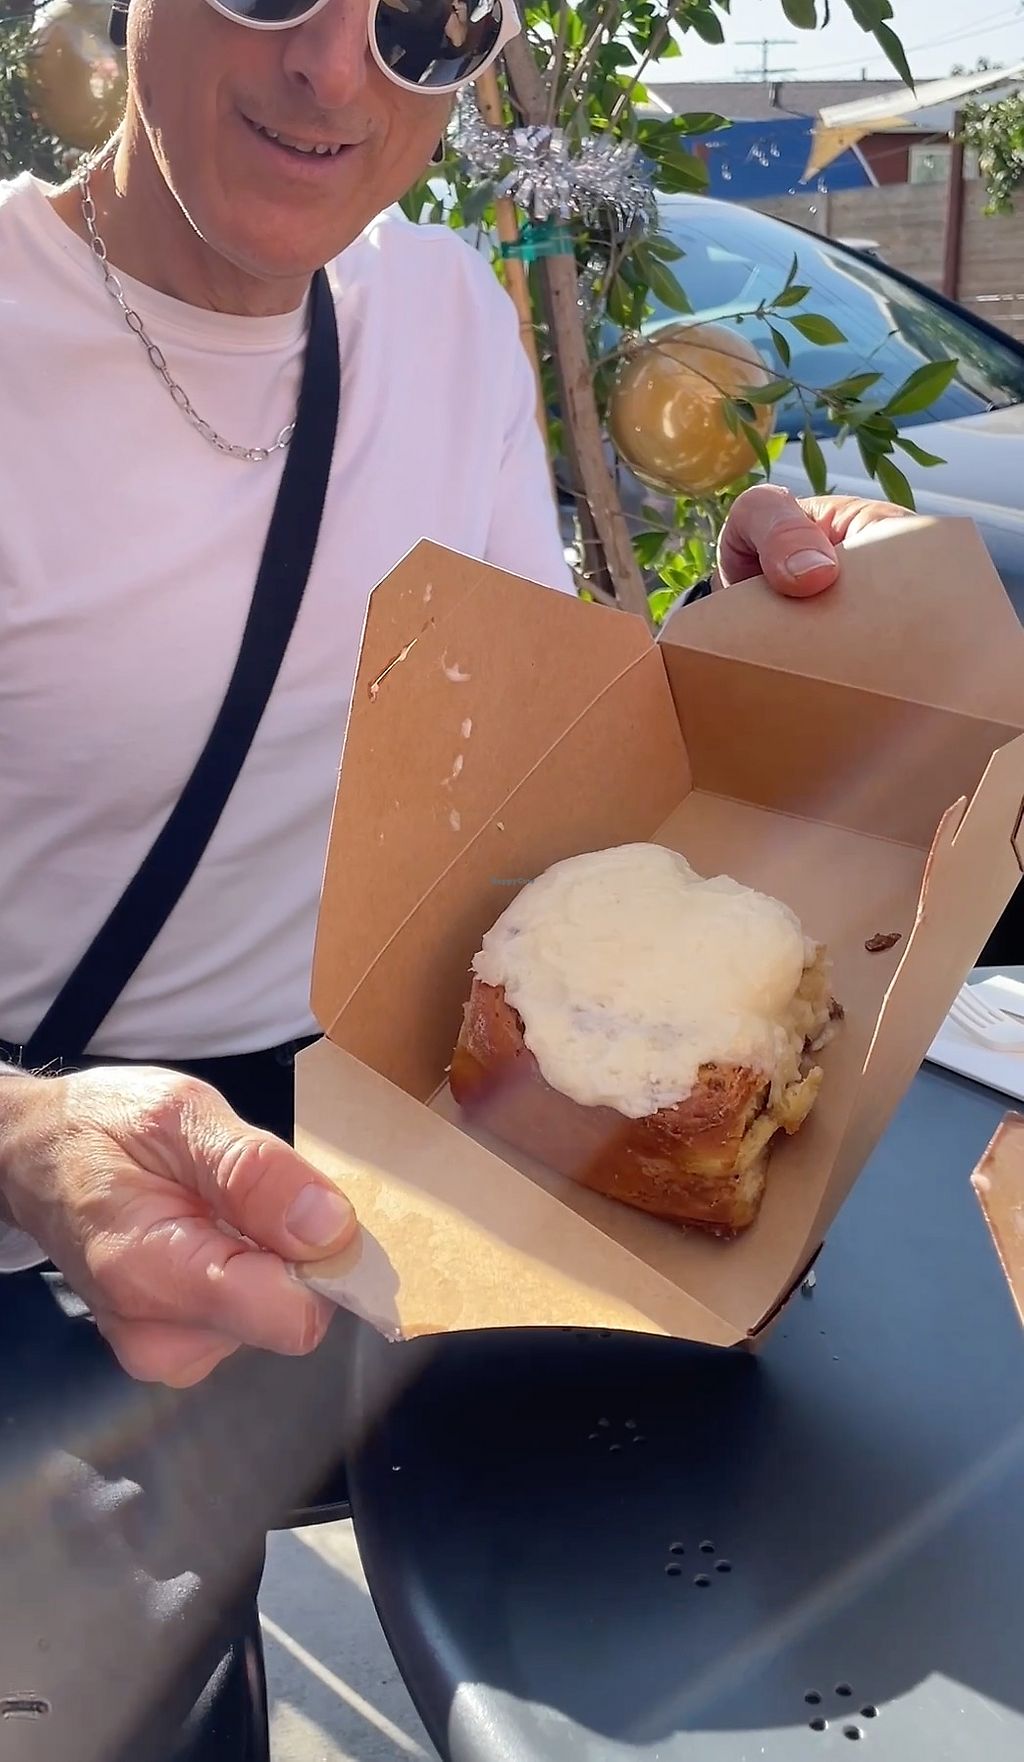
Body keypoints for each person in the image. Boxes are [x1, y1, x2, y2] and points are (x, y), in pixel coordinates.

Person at [0, 0, 909, 1756]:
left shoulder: (444, 316)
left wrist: (750, 663)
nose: (336, 68)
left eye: (427, 21)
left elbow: (512, 790)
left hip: (399, 1157)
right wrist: (29, 1144)